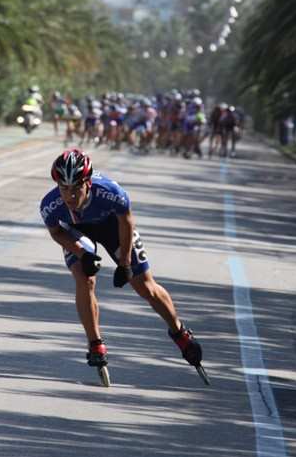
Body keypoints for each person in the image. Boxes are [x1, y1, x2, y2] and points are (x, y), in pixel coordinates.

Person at [40, 149, 205, 372]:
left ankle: (179, 331)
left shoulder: (111, 192)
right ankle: (95, 343)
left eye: (76, 188)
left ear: (87, 183)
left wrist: (125, 264)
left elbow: (126, 222)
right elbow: (57, 233)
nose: (70, 196)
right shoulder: (50, 205)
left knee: (144, 286)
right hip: (77, 231)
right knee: (84, 278)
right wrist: (83, 254)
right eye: (64, 189)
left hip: (112, 226)